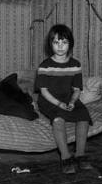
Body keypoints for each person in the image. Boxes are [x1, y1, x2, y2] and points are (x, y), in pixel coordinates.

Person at [35, 24, 93, 174]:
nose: (60, 46)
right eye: (56, 42)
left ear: (70, 44)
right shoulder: (44, 66)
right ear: (50, 44)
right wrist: (59, 104)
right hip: (49, 99)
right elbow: (44, 91)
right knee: (58, 119)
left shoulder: (75, 65)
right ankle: (66, 157)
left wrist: (73, 102)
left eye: (64, 42)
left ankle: (80, 154)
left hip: (68, 97)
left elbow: (76, 89)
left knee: (84, 116)